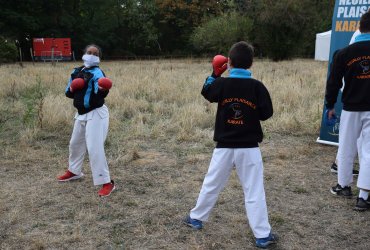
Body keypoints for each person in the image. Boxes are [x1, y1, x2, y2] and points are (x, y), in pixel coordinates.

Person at [184, 41, 277, 248]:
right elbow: (267, 114)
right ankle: (262, 235)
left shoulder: (222, 84)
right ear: (251, 64)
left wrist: (215, 74)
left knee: (211, 184)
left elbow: (206, 92)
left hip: (224, 147)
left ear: (229, 62)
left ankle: (196, 218)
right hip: (249, 148)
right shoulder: (257, 87)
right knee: (254, 191)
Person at [57, 44, 115, 197]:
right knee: (75, 143)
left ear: (98, 58)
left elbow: (100, 92)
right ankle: (74, 171)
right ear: (84, 54)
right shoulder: (76, 71)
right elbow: (67, 93)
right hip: (81, 113)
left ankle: (107, 182)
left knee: (94, 148)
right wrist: (73, 88)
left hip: (96, 113)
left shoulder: (98, 72)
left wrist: (103, 89)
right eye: (89, 52)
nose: (91, 55)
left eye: (95, 54)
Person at [326, 12, 370, 211]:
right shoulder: (343, 54)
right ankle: (364, 197)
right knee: (369, 152)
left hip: (351, 108)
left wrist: (330, 105)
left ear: (359, 27)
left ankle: (343, 186)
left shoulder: (343, 53)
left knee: (346, 147)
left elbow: (333, 82)